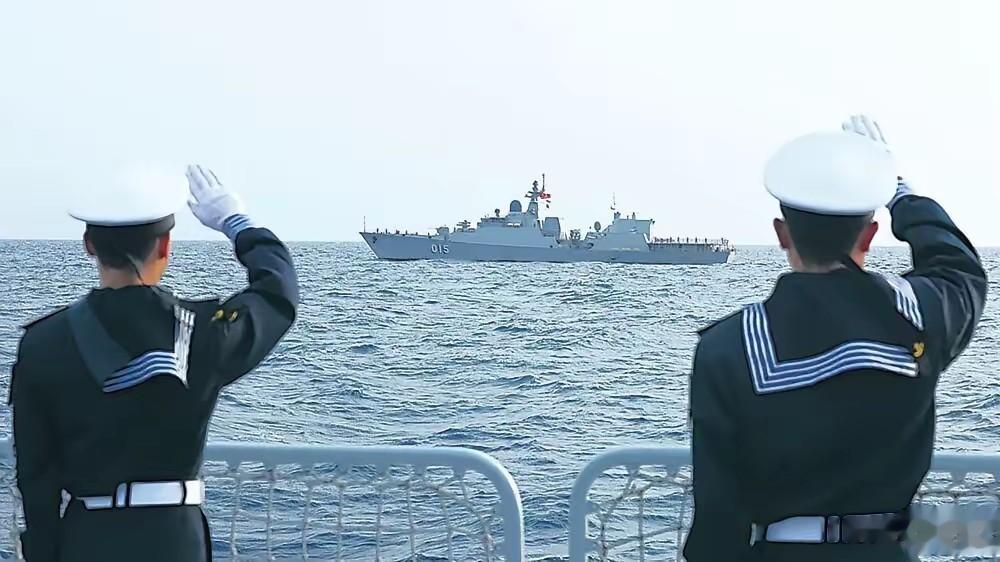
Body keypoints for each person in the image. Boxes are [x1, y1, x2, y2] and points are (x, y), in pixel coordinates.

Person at [683, 115, 987, 562]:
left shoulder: (729, 347)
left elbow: (718, 522)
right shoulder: (920, 316)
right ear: (871, 233)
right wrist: (900, 190)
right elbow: (959, 267)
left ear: (781, 233)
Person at [9, 164, 299, 561]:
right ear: (165, 246)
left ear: (89, 245)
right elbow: (278, 292)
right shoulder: (201, 331)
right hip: (175, 539)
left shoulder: (43, 342)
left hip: (86, 538)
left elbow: (35, 473)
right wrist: (235, 222)